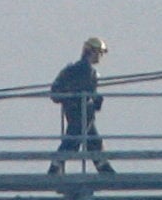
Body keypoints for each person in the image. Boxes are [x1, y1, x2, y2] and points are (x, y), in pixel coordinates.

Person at [47, 37, 115, 176]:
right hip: (81, 112)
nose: (101, 57)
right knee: (73, 140)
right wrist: (95, 100)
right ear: (93, 52)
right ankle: (55, 167)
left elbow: (56, 93)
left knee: (92, 141)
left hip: (73, 111)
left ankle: (104, 168)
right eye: (100, 53)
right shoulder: (87, 71)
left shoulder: (70, 69)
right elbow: (87, 93)